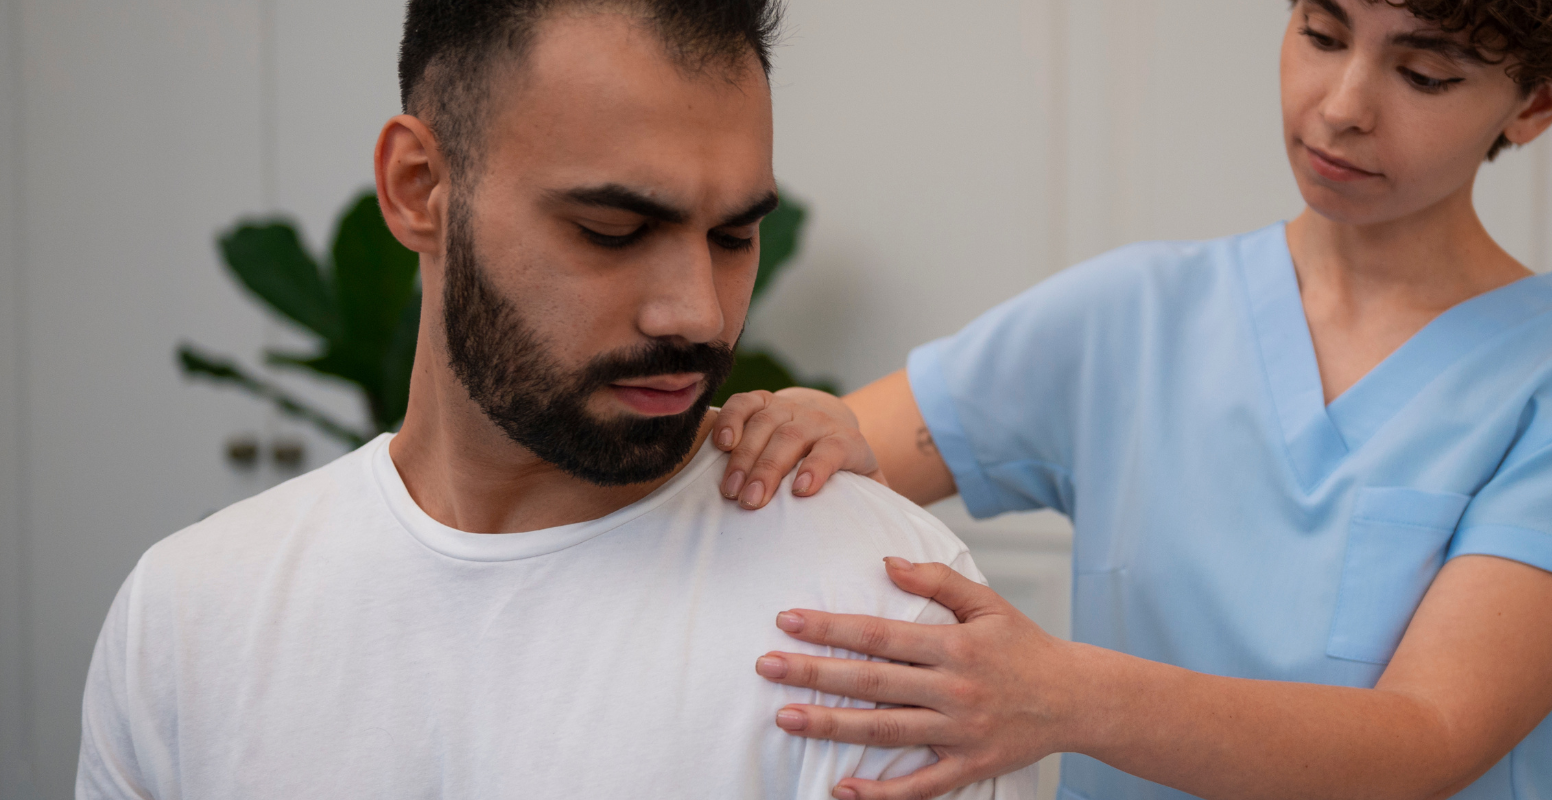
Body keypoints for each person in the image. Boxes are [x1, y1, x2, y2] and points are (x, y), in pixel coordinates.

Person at [714, 1, 1552, 799]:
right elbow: (829, 454)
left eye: (1424, 73)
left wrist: (1065, 696)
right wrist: (806, 422)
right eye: (1321, 32)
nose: (1342, 104)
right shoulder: (1130, 315)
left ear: (1536, 104)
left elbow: (1427, 736)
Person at [74, 2, 1038, 798]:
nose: (699, 314)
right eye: (613, 230)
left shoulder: (882, 620)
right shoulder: (188, 615)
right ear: (419, 188)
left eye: (734, 237)